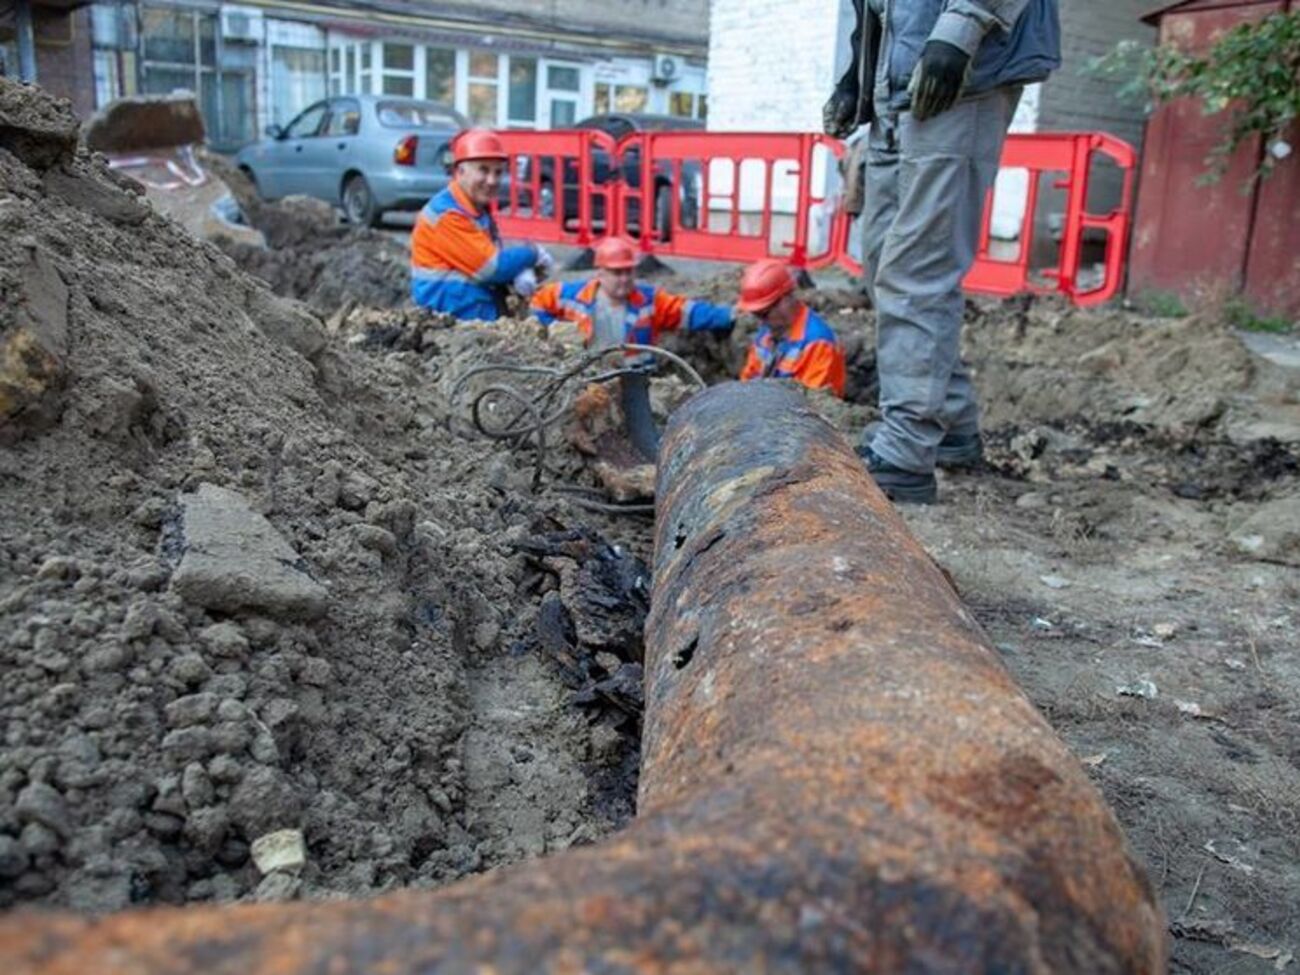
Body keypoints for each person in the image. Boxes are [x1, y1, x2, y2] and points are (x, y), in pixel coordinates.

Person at [824, 0, 1060, 503]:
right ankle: (948, 422)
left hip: (963, 73)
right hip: (895, 81)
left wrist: (965, 25)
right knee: (884, 263)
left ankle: (905, 453)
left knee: (917, 267)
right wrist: (853, 76)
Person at [410, 129, 552, 320]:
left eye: (498, 172)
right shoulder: (447, 215)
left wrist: (520, 272)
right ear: (460, 172)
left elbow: (489, 255)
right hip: (452, 315)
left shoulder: (473, 209)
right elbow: (492, 268)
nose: (492, 180)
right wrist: (532, 254)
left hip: (467, 306)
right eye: (483, 170)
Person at [530, 236, 734, 350]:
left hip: (637, 383)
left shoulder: (649, 301)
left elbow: (689, 312)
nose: (625, 278)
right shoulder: (576, 296)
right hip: (589, 378)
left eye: (628, 272)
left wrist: (728, 316)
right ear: (601, 272)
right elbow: (538, 301)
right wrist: (552, 335)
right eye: (617, 273)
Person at [737, 259, 846, 398]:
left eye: (764, 314)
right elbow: (748, 378)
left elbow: (813, 403)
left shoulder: (818, 343)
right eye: (756, 315)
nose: (761, 321)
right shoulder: (768, 332)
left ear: (785, 300)